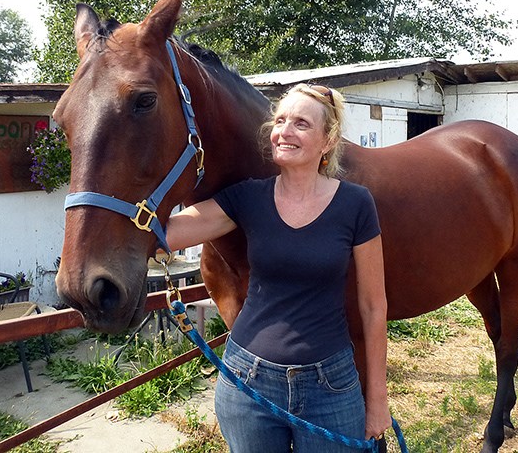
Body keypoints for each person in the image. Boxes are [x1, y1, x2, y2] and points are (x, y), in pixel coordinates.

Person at [164, 83, 390, 452]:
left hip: (330, 387)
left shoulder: (355, 204)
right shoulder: (248, 197)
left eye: (301, 124)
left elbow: (372, 306)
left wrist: (377, 398)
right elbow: (166, 234)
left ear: (328, 140)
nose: (284, 131)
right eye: (280, 120)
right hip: (247, 381)